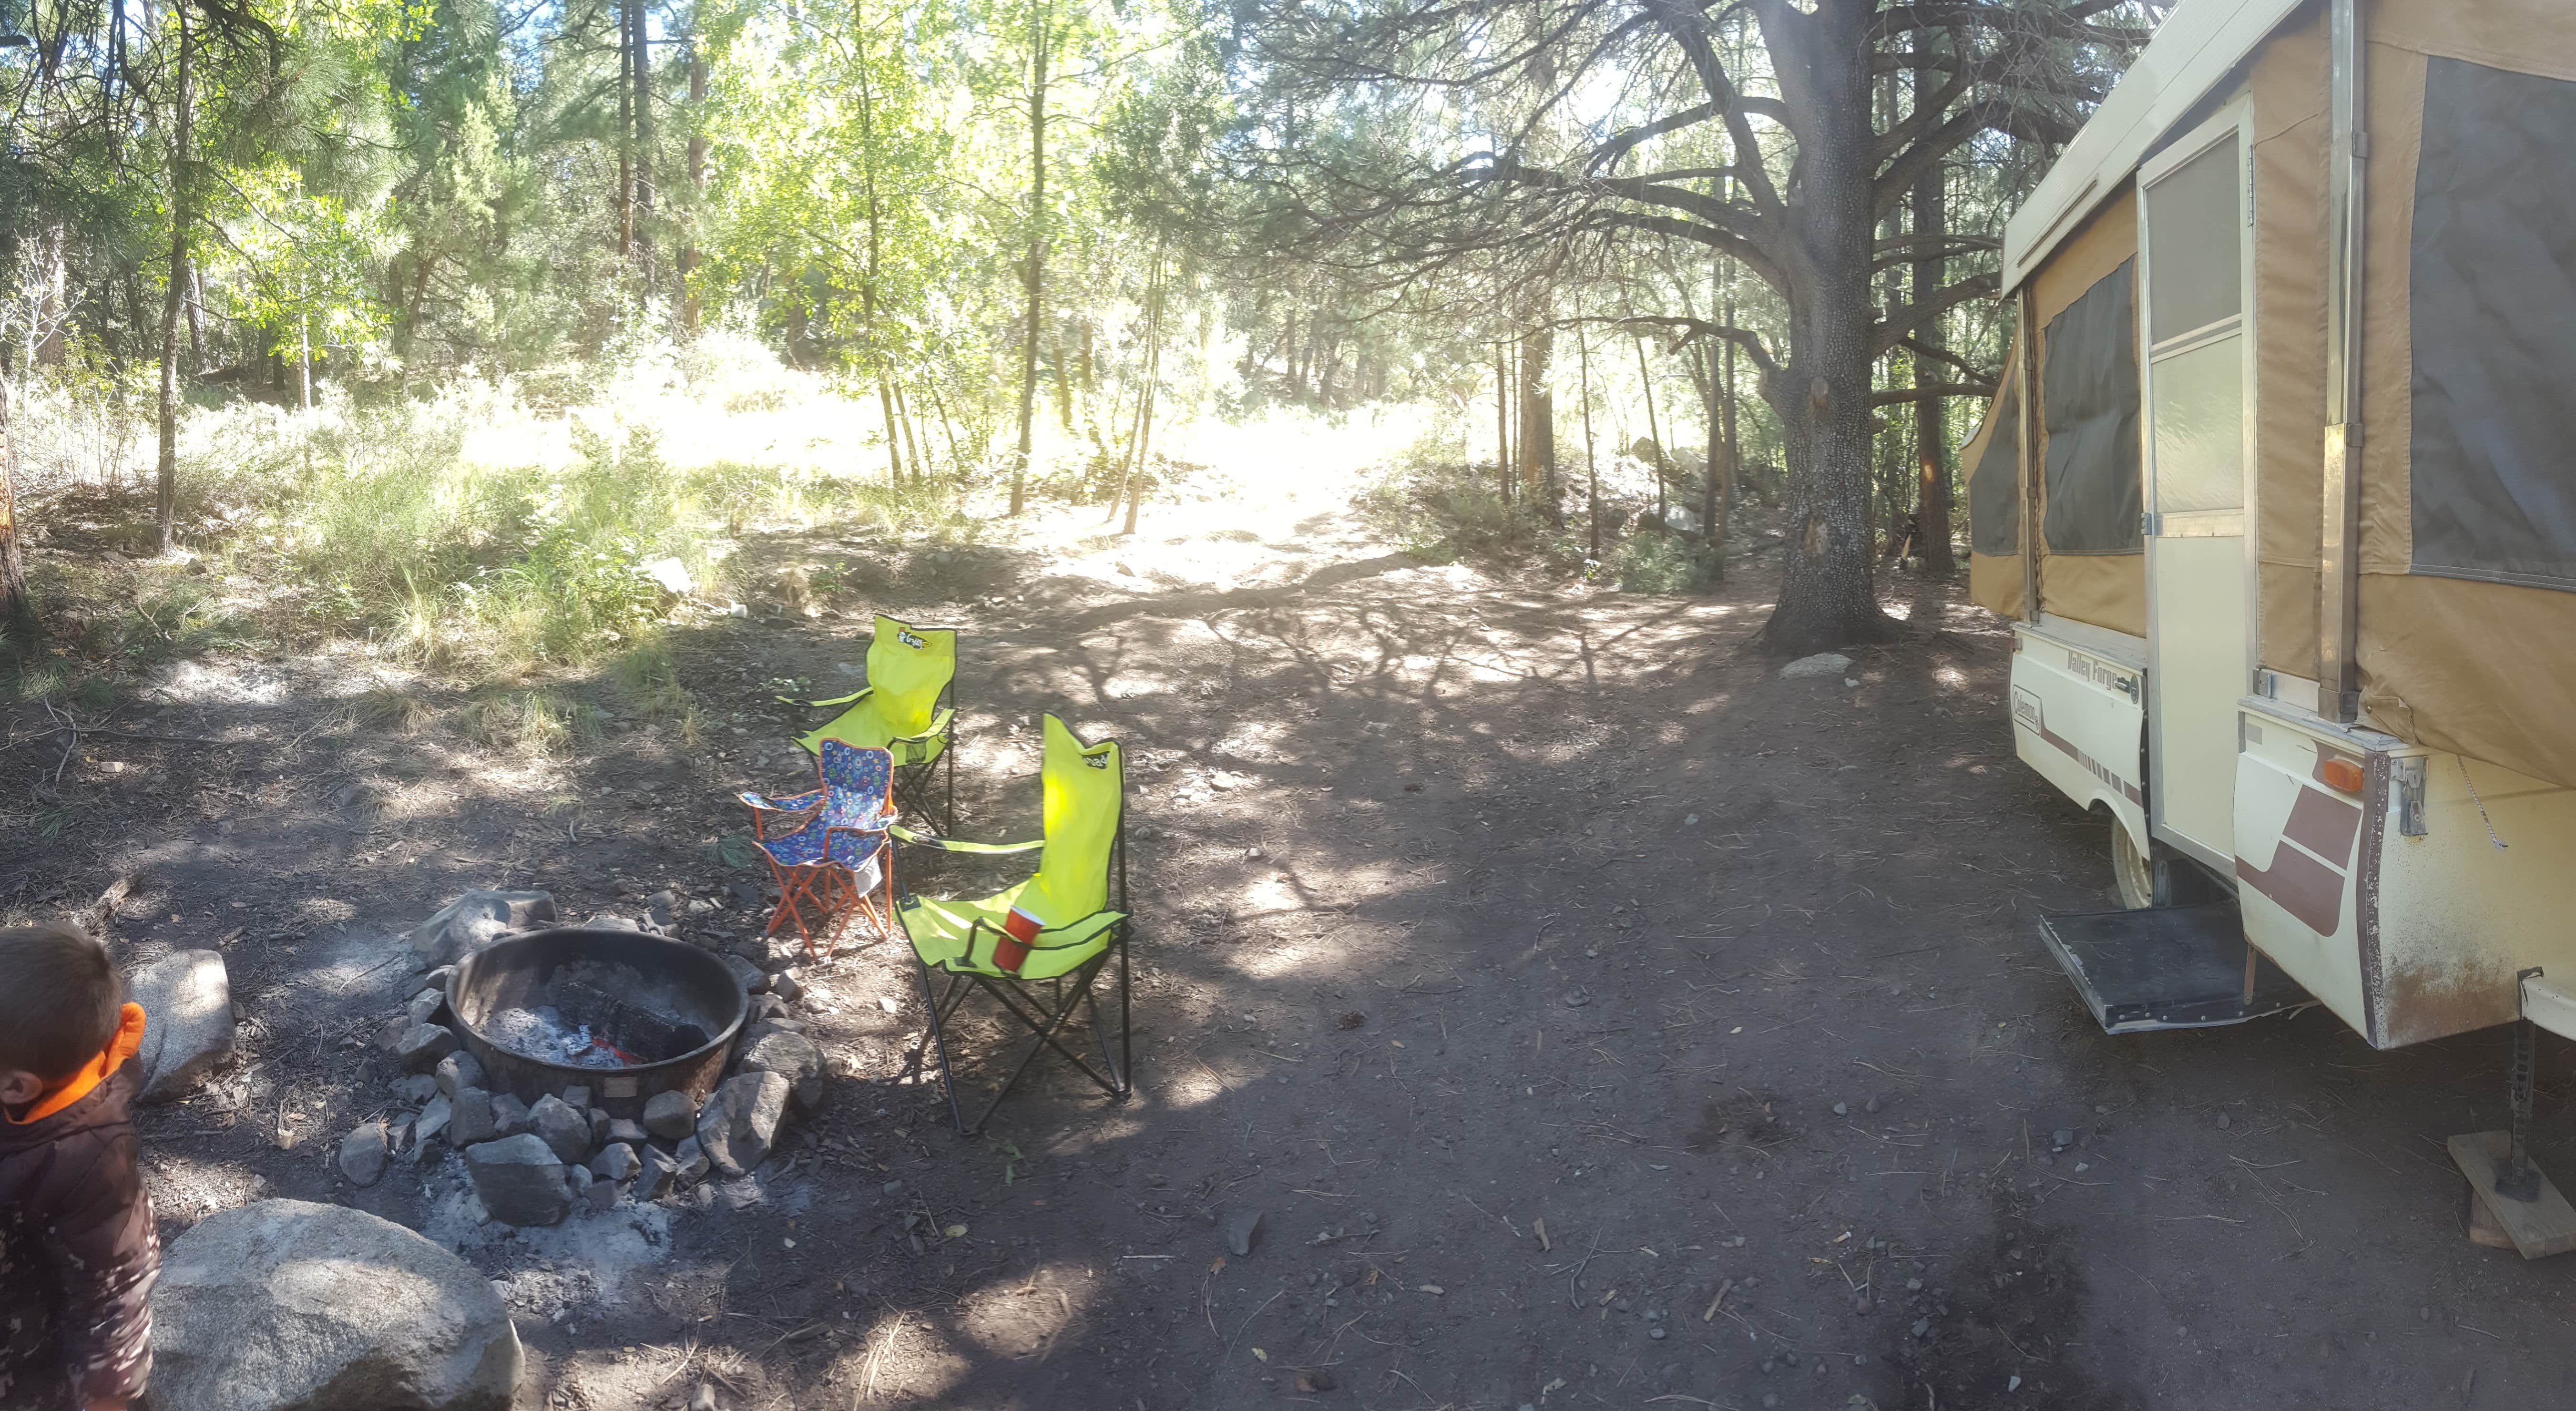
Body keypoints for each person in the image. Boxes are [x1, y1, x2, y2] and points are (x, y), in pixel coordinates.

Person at [0, 921, 157, 1411]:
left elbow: (115, 1294)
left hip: (26, 1355)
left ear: (17, 1087)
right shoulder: (23, 1067)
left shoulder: (92, 1164)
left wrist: (105, 1398)